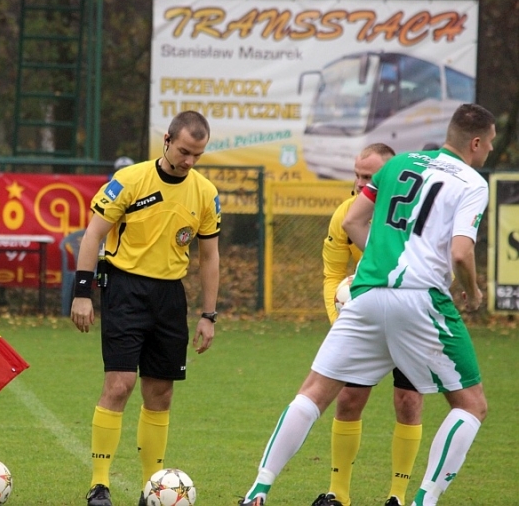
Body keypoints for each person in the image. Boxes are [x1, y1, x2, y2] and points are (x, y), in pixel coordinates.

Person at [239, 103, 495, 506]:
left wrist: (379, 258)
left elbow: (352, 221)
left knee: (314, 393)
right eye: (491, 142)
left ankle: (258, 489)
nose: (491, 149)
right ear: (476, 143)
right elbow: (461, 253)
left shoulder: (398, 165)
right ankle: (422, 501)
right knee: (471, 405)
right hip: (421, 298)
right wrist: (474, 292)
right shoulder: (473, 182)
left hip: (367, 294)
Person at [70, 110, 221, 506]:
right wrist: (82, 292)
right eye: (184, 151)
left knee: (161, 393)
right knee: (119, 385)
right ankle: (99, 484)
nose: (189, 161)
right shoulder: (130, 180)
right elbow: (92, 235)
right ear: (167, 140)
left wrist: (208, 315)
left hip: (170, 296)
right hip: (124, 289)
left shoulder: (205, 193)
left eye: (198, 155)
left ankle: (151, 488)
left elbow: (209, 256)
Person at [316, 144, 424, 506]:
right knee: (348, 398)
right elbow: (333, 275)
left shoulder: (416, 215)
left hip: (410, 317)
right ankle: (339, 493)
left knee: (408, 400)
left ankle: (397, 496)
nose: (361, 183)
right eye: (358, 175)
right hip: (363, 319)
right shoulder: (345, 215)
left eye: (370, 176)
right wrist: (339, 320)